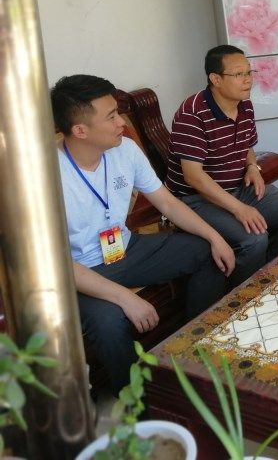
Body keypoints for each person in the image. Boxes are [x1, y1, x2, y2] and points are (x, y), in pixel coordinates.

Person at [51, 75, 235, 393]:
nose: (122, 123)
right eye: (111, 116)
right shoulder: (44, 175)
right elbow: (53, 264)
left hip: (125, 249)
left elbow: (167, 202)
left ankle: (192, 351)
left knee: (208, 252)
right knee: (109, 322)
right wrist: (124, 297)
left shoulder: (125, 150)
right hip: (76, 273)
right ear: (80, 130)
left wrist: (215, 237)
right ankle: (136, 405)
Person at [166, 45, 278, 286]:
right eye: (238, 74)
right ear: (215, 79)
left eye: (249, 72)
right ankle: (240, 296)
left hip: (238, 187)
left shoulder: (244, 104)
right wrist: (239, 209)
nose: (248, 80)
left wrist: (253, 167)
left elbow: (247, 145)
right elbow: (193, 177)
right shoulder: (192, 113)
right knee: (254, 239)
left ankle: (268, 276)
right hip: (196, 199)